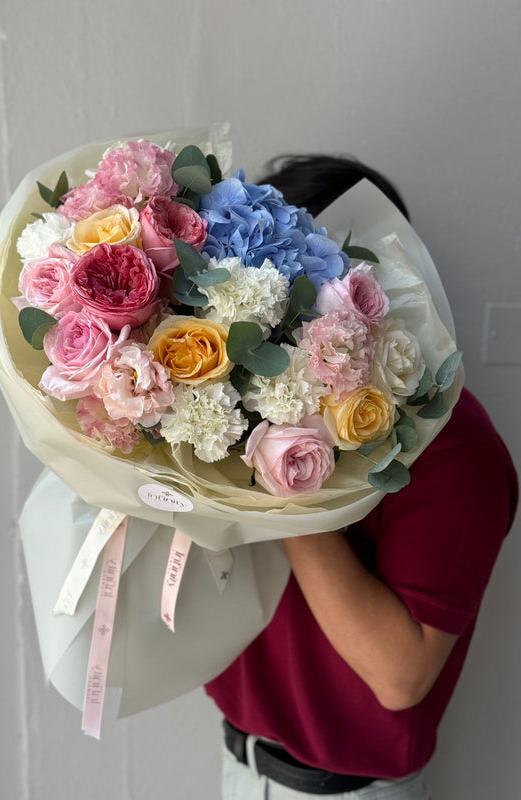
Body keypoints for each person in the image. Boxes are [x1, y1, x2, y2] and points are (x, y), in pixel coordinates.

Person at [204, 155, 519, 799]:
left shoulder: (457, 449)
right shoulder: (234, 398)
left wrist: (278, 478)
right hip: (237, 765)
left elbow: (399, 674)